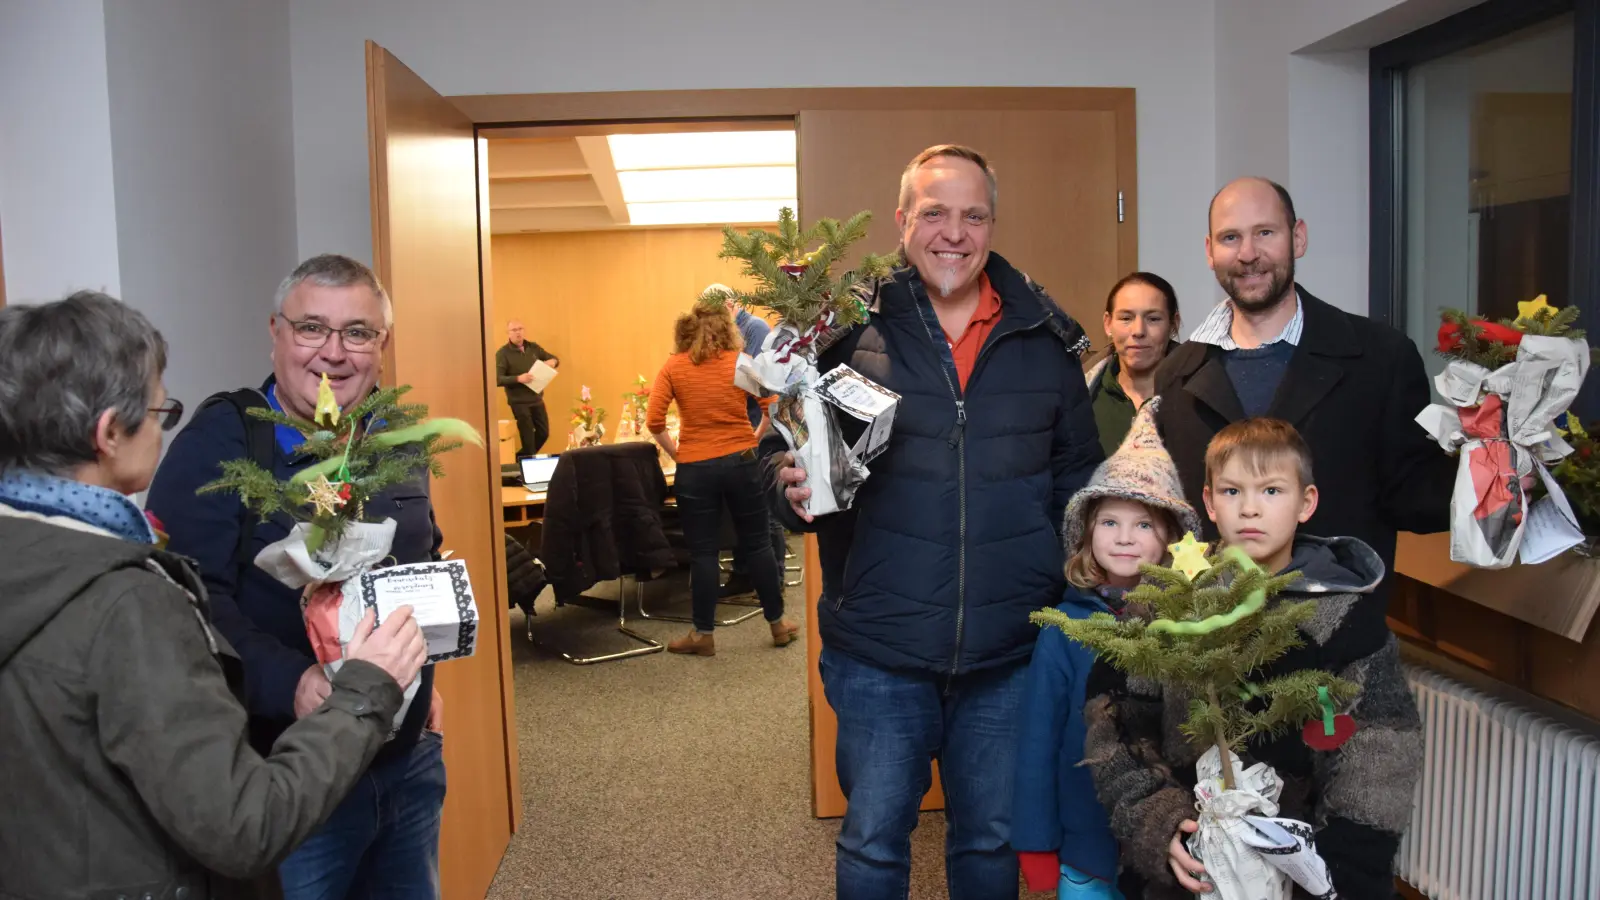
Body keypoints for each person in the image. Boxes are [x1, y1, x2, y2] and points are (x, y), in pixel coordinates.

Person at [0, 291, 428, 900]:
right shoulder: (128, 600)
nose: (334, 354)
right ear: (109, 433)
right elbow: (242, 825)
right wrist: (365, 688)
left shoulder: (27, 557)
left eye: (358, 333)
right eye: (157, 410)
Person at [769, 144, 1104, 899]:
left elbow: (1079, 481)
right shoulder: (845, 328)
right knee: (874, 841)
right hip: (878, 649)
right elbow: (780, 448)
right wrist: (783, 485)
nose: (953, 232)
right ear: (901, 220)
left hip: (1009, 652)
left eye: (972, 215)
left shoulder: (1045, 341)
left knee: (989, 840)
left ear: (991, 224)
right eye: (934, 213)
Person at [148, 254, 449, 900]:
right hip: (290, 777)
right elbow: (188, 603)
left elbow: (418, 561)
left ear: (381, 345)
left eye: (358, 333)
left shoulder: (395, 437)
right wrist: (299, 685)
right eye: (312, 328)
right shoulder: (223, 440)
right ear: (276, 332)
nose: (334, 354)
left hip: (407, 766)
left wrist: (426, 682)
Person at [1082, 418, 1423, 900]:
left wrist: (1346, 861)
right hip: (1193, 860)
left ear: (1306, 503)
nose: (1250, 509)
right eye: (1232, 491)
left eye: (1271, 491)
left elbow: (1382, 747)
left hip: (1310, 867)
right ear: (1209, 502)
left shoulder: (1345, 617)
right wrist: (1157, 820)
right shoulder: (1171, 603)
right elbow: (1116, 722)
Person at [1153, 176, 1454, 641]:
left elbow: (1412, 493)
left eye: (1265, 233)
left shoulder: (1380, 358)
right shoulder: (1176, 375)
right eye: (1231, 238)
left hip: (1337, 650)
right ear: (1210, 251)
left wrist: (1496, 477)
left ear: (1298, 238)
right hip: (1212, 657)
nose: (1248, 253)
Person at [1013, 399, 1200, 899]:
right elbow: (1038, 741)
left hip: (1168, 843)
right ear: (1088, 531)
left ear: (1169, 540)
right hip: (1085, 848)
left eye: (1143, 525)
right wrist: (1036, 844)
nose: (1124, 539)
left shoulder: (1186, 625)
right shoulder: (1064, 628)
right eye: (1110, 523)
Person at [648, 303, 798, 656]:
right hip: (741, 462)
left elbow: (655, 421)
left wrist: (677, 454)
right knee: (758, 543)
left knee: (702, 552)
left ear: (684, 332)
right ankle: (777, 624)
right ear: (729, 331)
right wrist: (754, 438)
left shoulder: (674, 366)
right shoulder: (739, 362)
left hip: (695, 468)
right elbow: (770, 406)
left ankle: (702, 635)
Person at [704, 282, 789, 597]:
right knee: (742, 507)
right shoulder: (726, 330)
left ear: (729, 305)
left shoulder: (754, 328)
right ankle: (743, 574)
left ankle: (774, 578)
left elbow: (751, 377)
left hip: (758, 422)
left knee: (764, 507)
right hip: (742, 422)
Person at [1085, 272, 1181, 456]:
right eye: (1126, 318)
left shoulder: (1196, 395)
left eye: (1153, 319)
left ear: (1173, 324)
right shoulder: (1082, 397)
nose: (1138, 331)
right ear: (1108, 323)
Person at [495, 318, 560, 457]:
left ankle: (521, 458)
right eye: (514, 330)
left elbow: (554, 358)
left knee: (543, 433)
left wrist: (553, 362)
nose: (518, 332)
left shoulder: (533, 347)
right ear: (508, 333)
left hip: (536, 398)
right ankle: (527, 464)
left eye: (520, 329)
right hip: (519, 402)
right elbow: (497, 379)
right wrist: (518, 378)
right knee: (528, 438)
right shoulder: (503, 354)